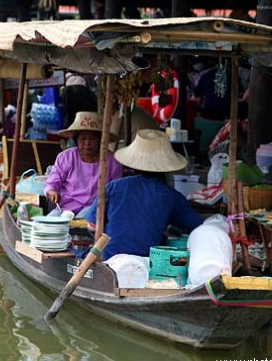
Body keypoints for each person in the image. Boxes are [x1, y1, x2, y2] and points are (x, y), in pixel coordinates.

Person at [86, 129, 203, 261]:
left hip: (109, 259)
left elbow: (91, 225)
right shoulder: (171, 196)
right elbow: (199, 227)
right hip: (147, 263)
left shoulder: (113, 186)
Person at [44, 111, 123, 217]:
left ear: (100, 140)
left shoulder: (112, 161)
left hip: (94, 210)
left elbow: (116, 191)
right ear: (76, 140)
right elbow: (53, 180)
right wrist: (51, 190)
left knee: (83, 219)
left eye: (91, 139)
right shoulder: (66, 157)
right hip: (66, 208)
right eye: (83, 139)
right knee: (50, 221)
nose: (87, 143)